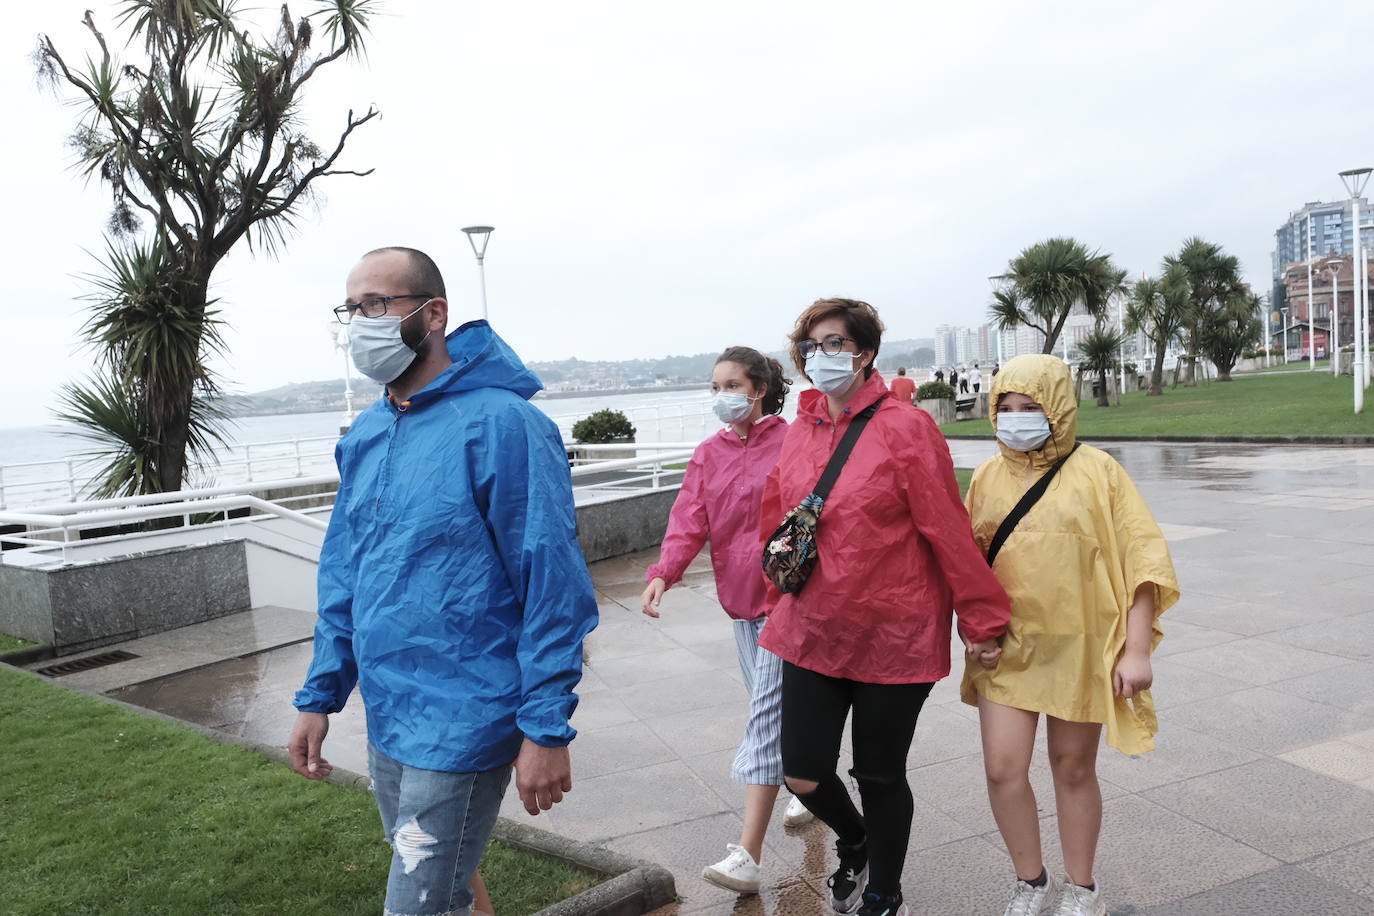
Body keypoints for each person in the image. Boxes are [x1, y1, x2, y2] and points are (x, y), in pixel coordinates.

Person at [288, 247, 598, 916]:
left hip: (469, 713)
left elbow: (552, 581)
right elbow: (348, 571)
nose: (360, 322)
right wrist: (321, 693)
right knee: (448, 883)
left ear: (434, 314)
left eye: (377, 304)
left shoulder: (505, 425)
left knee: (419, 902)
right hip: (391, 712)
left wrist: (545, 728)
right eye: (352, 308)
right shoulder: (368, 433)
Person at [758, 298, 1012, 916]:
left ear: (865, 352)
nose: (823, 356)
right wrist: (774, 598)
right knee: (803, 773)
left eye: (835, 343)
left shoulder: (906, 428)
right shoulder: (801, 430)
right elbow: (781, 519)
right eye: (812, 346)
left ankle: (883, 890)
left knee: (878, 773)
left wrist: (981, 618)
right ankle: (857, 840)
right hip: (812, 629)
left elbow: (947, 529)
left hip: (893, 631)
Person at [960, 355, 1179, 916]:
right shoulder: (986, 477)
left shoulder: (1099, 471)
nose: (1014, 418)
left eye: (1029, 407)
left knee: (1073, 768)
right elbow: (965, 565)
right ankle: (1029, 882)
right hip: (1007, 650)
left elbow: (1141, 561)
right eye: (1004, 408)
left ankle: (1081, 890)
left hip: (1083, 647)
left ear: (1057, 408)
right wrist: (971, 631)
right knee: (1002, 768)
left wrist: (1135, 650)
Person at [639, 346, 810, 894]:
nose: (722, 397)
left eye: (731, 385)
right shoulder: (708, 454)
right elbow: (689, 516)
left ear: (758, 388)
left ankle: (748, 855)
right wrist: (665, 570)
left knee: (763, 718)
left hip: (789, 603)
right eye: (715, 388)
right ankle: (813, 785)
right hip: (740, 607)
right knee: (778, 712)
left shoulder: (793, 443)